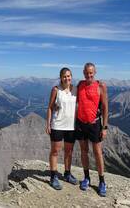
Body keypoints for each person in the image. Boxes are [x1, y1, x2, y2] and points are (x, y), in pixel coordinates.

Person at [76, 62, 108, 197]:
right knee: (84, 151)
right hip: (81, 123)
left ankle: (102, 182)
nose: (89, 75)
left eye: (91, 72)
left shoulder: (101, 86)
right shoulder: (80, 85)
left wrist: (104, 127)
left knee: (97, 153)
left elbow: (105, 107)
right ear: (84, 72)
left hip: (94, 124)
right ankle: (86, 178)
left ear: (95, 73)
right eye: (87, 72)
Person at [45, 67, 78, 190]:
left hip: (71, 126)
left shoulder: (75, 89)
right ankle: (53, 176)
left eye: (68, 76)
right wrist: (48, 124)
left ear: (71, 77)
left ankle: (67, 174)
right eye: (64, 76)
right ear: (60, 78)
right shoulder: (56, 90)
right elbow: (49, 107)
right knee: (55, 151)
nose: (67, 78)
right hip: (58, 125)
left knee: (69, 152)